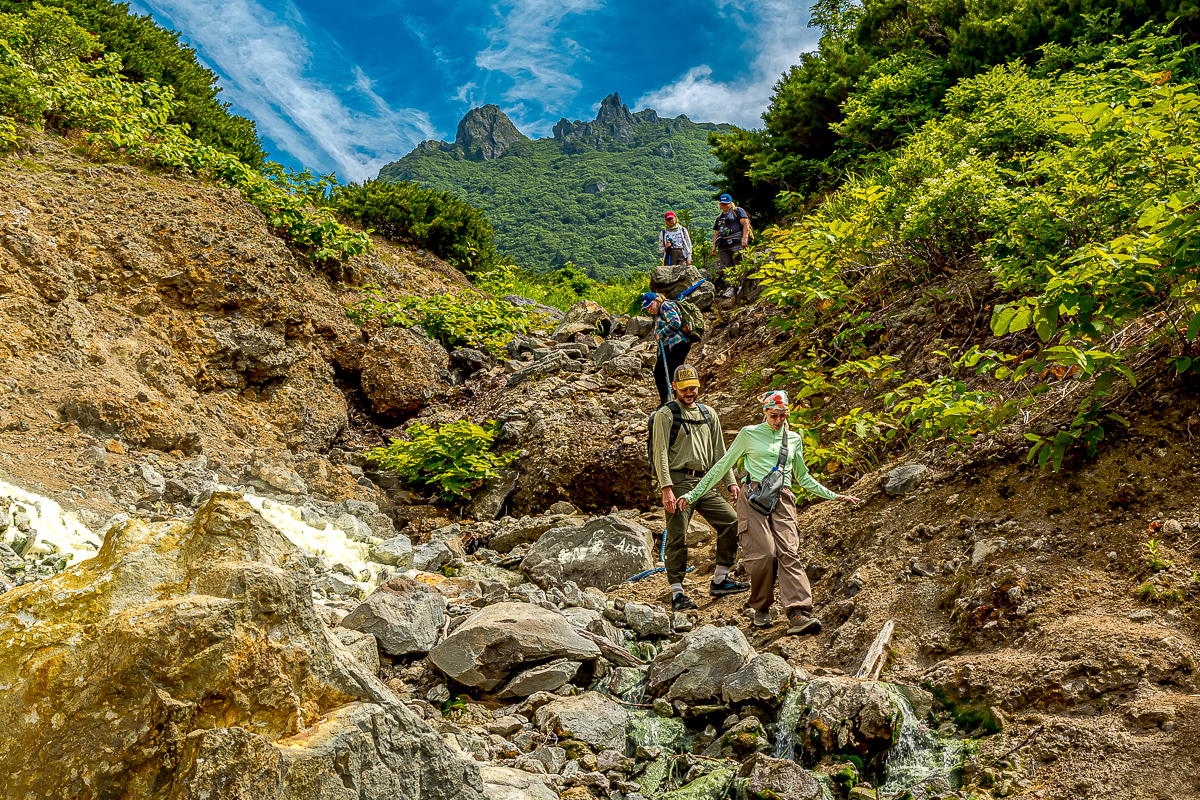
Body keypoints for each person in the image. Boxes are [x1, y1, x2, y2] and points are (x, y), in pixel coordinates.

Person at [677, 390, 861, 635]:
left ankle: (798, 612)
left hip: (783, 497)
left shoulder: (793, 439)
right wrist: (692, 495)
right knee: (764, 554)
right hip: (753, 496)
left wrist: (835, 495)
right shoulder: (748, 434)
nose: (778, 420)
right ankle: (761, 607)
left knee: (789, 551)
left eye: (783, 415)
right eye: (774, 415)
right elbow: (722, 466)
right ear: (764, 412)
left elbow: (803, 477)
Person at [653, 364, 749, 610]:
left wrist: (731, 483)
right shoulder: (666, 415)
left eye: (693, 388)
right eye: (685, 388)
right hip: (677, 481)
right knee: (678, 534)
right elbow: (660, 452)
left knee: (731, 521)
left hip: (704, 482)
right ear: (674, 387)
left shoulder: (709, 414)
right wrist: (666, 488)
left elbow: (721, 454)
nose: (690, 392)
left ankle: (721, 579)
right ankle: (677, 593)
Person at [641, 291, 691, 408]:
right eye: (647, 308)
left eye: (650, 305)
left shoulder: (665, 306)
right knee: (662, 372)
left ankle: (677, 402)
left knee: (671, 373)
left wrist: (661, 334)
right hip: (671, 346)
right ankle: (668, 402)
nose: (650, 309)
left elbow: (675, 322)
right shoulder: (660, 311)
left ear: (656, 300)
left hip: (677, 344)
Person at [711, 194, 751, 297]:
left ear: (730, 203)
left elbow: (746, 223)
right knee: (726, 267)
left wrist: (745, 238)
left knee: (739, 264)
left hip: (737, 242)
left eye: (726, 203)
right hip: (722, 244)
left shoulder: (737, 211)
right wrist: (714, 246)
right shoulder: (719, 217)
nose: (724, 205)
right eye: (722, 204)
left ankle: (741, 286)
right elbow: (716, 233)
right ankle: (730, 288)